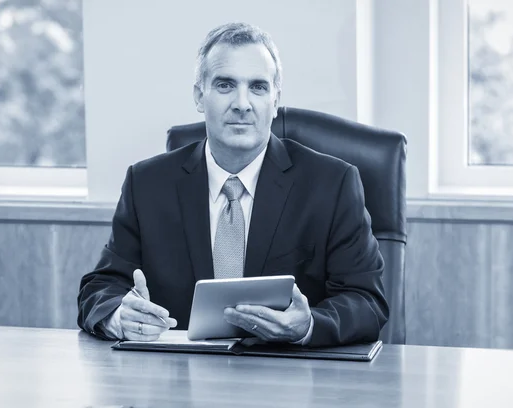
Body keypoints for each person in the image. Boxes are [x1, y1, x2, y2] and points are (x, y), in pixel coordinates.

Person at [77, 22, 389, 347]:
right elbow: (99, 290)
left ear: (275, 98)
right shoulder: (147, 185)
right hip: (179, 379)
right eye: (225, 85)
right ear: (200, 95)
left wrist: (309, 324)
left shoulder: (332, 185)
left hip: (291, 378)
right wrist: (119, 316)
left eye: (258, 87)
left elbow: (367, 301)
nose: (242, 103)